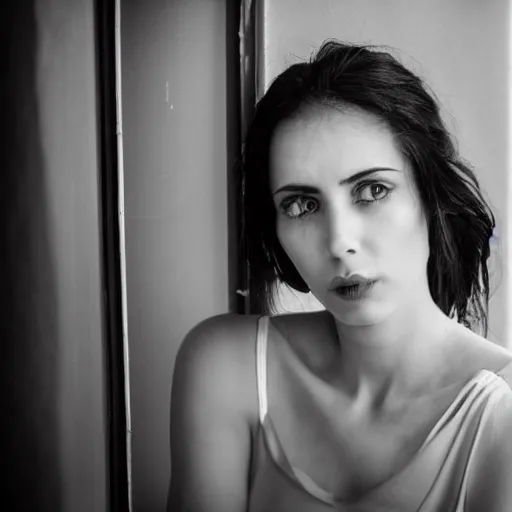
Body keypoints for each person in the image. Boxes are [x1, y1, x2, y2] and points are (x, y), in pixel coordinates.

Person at [167, 40, 512, 512]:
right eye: (302, 204)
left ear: (431, 199)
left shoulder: (501, 417)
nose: (338, 242)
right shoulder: (226, 369)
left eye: (372, 190)